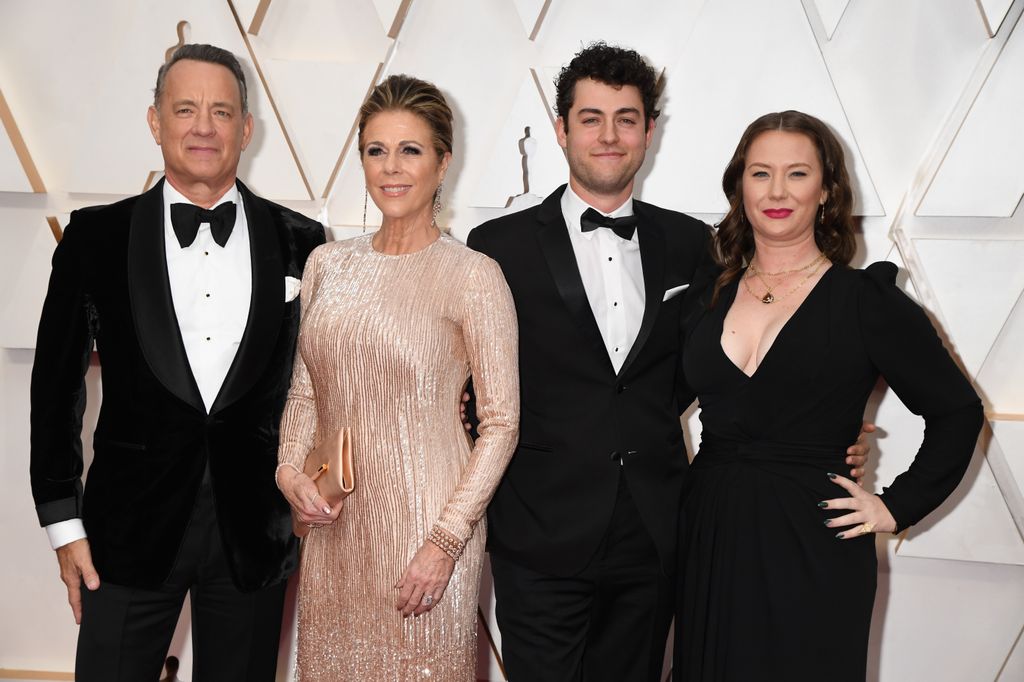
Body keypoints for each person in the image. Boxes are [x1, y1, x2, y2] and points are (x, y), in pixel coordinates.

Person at [467, 44, 871, 681]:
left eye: (626, 118)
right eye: (591, 117)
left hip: (655, 532)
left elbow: (721, 365)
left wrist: (825, 432)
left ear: (649, 132)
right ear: (561, 130)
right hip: (540, 533)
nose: (609, 135)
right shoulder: (496, 247)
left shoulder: (692, 244)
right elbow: (473, 390)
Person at [28, 44, 326, 680]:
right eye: (184, 109)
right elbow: (55, 391)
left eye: (221, 111)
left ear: (247, 128)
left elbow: (328, 381)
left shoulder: (302, 242)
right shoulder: (95, 237)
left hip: (255, 535)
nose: (202, 126)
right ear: (154, 121)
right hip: (125, 533)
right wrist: (62, 524)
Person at [674, 110, 984, 680]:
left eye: (797, 174)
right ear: (739, 184)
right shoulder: (708, 294)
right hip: (711, 532)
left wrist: (895, 506)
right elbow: (646, 397)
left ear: (826, 191)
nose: (776, 191)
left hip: (814, 537)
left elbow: (957, 411)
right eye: (760, 173)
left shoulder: (867, 301)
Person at [275, 74, 519, 681]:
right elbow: (307, 389)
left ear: (443, 162)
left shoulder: (472, 275)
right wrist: (286, 469)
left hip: (426, 533)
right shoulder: (326, 264)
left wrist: (446, 542)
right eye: (375, 150)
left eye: (410, 150)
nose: (391, 168)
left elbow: (501, 422)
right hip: (333, 532)